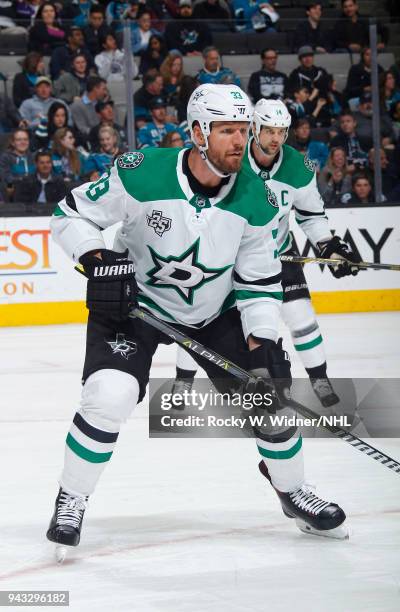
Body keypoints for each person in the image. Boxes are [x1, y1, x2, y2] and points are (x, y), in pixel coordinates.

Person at [48, 84, 349, 560]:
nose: (238, 140)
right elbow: (69, 216)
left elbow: (258, 281)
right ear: (196, 132)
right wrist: (97, 256)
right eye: (226, 130)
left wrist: (263, 339)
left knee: (269, 396)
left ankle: (292, 489)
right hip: (136, 305)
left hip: (215, 311)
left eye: (243, 130)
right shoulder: (143, 172)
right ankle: (72, 498)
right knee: (109, 395)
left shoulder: (260, 200)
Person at [172, 99, 360, 412]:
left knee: (302, 320)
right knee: (200, 316)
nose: (276, 138)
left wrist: (327, 245)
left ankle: (319, 378)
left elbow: (311, 215)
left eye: (282, 132)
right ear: (255, 129)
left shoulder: (298, 168)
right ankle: (183, 377)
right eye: (269, 130)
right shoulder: (231, 159)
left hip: (279, 254)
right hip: (228, 254)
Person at [0, 128, 34, 200]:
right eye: (19, 140)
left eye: (25, 139)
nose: (23, 142)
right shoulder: (5, 157)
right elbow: (7, 178)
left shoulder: (33, 157)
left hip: (33, 192)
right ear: (13, 142)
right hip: (14, 192)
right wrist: (23, 179)